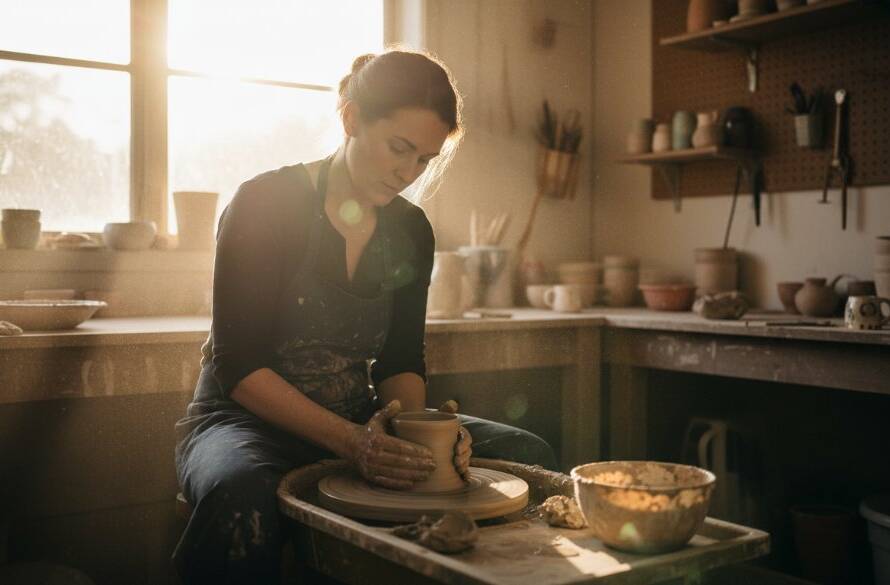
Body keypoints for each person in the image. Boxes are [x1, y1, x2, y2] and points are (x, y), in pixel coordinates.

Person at [173, 49, 558, 584]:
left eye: (424, 159)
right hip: (245, 423)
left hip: (361, 415)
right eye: (399, 148)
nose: (408, 172)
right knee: (241, 494)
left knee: (524, 453)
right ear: (351, 118)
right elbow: (238, 367)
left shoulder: (410, 230)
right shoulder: (264, 204)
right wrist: (355, 443)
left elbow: (401, 358)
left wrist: (424, 436)